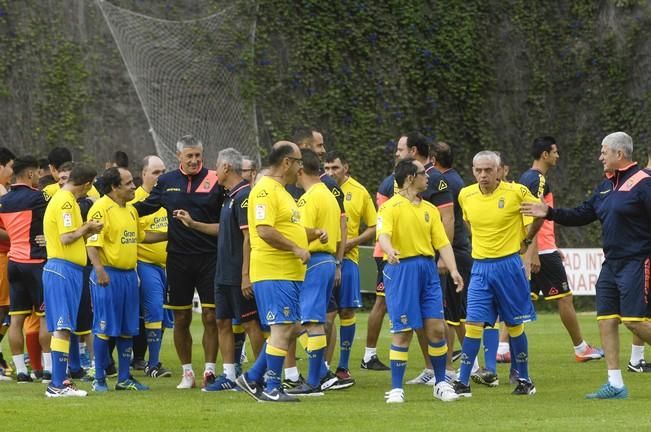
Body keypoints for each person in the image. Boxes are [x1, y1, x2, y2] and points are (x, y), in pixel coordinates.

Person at [522, 132, 651, 399]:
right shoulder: (605, 187)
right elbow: (582, 214)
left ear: (619, 154)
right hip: (611, 264)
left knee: (635, 322)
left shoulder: (644, 183)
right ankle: (615, 384)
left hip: (638, 262)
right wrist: (549, 213)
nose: (600, 157)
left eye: (604, 152)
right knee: (605, 319)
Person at [134, 135, 225, 390]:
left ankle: (209, 370)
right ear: (179, 157)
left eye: (198, 155)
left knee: (211, 316)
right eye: (189, 156)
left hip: (210, 258)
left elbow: (227, 216)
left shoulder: (215, 179)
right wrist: (119, 209)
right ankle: (187, 373)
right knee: (181, 317)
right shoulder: (167, 181)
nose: (195, 160)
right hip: (177, 259)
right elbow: (145, 207)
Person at [454, 150, 542, 398]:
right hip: (480, 267)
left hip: (509, 266)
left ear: (499, 170)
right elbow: (469, 224)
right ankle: (463, 382)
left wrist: (527, 238)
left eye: (488, 170)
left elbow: (539, 213)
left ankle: (524, 379)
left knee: (514, 324)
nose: (483, 175)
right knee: (472, 323)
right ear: (473, 171)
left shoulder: (516, 192)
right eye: (478, 170)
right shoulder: (465, 195)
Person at [378, 158, 463, 403]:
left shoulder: (429, 209)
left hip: (427, 270)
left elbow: (442, 243)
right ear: (410, 178)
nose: (428, 177)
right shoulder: (390, 207)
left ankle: (440, 384)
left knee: (436, 328)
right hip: (402, 269)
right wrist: (390, 249)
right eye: (422, 174)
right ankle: (396, 389)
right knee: (403, 330)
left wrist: (454, 270)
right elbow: (383, 234)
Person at [184, 148, 264, 391]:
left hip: (238, 274)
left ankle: (260, 375)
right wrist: (194, 224)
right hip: (223, 273)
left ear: (226, 167)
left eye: (217, 166)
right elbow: (224, 229)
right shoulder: (229, 197)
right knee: (222, 322)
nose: (214, 171)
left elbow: (249, 237)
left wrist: (245, 275)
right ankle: (229, 375)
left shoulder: (244, 196)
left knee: (251, 324)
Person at [518, 136, 603, 363]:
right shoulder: (538, 179)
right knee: (565, 299)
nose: (557, 156)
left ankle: (503, 347)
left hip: (542, 248)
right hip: (541, 251)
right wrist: (533, 252)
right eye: (555, 152)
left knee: (518, 300)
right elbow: (531, 215)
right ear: (545, 154)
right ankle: (581, 348)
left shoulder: (528, 177)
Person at [235, 141, 309, 403]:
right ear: (287, 162)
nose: (301, 167)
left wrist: (308, 238)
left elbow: (287, 228)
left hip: (287, 272)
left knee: (290, 328)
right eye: (299, 162)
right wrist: (296, 248)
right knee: (282, 329)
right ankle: (271, 387)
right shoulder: (265, 190)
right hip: (274, 270)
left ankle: (252, 377)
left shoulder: (283, 192)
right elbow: (264, 230)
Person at [87, 167, 166, 392]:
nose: (134, 186)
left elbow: (143, 236)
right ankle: (99, 378)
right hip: (108, 276)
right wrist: (99, 270)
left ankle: (124, 378)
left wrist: (174, 233)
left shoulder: (131, 210)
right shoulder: (100, 209)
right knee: (104, 327)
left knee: (127, 329)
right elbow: (92, 243)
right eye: (129, 183)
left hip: (129, 277)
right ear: (114, 187)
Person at [283, 127, 347, 389]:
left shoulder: (309, 199)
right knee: (315, 320)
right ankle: (319, 375)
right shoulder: (328, 194)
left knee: (310, 322)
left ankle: (312, 381)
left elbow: (301, 236)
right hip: (328, 261)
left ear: (300, 171)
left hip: (315, 262)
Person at [42, 163, 101, 397]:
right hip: (62, 270)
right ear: (86, 184)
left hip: (69, 271)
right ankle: (57, 384)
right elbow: (66, 237)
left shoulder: (66, 200)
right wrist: (88, 226)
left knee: (65, 327)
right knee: (62, 327)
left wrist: (87, 230)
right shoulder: (66, 200)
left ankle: (61, 382)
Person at [323, 150, 377, 386]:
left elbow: (374, 226)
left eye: (334, 168)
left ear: (346, 167)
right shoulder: (318, 189)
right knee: (325, 315)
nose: (330, 172)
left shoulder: (359, 191)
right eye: (326, 168)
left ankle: (343, 366)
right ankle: (322, 366)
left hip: (349, 260)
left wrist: (353, 242)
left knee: (346, 312)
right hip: (323, 260)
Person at [0, 156, 52, 384]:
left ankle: (21, 371)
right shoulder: (39, 198)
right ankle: (48, 369)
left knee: (16, 320)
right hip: (36, 264)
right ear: (31, 174)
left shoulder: (5, 201)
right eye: (38, 174)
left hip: (14, 263)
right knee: (44, 317)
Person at [429, 142, 473, 381]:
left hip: (452, 252)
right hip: (458, 250)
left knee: (451, 314)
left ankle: (461, 366)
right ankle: (466, 364)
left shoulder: (443, 182)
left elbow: (453, 220)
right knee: (455, 315)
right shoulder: (456, 181)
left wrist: (446, 257)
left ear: (433, 158)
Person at [130, 155, 172, 378]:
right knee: (153, 311)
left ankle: (147, 360)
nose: (160, 176)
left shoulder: (169, 197)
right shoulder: (136, 201)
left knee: (164, 315)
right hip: (145, 264)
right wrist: (168, 235)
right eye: (156, 172)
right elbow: (137, 235)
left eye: (163, 171)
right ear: (143, 174)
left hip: (168, 266)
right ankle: (153, 364)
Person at [0, 147, 15, 375]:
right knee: (5, 309)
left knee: (7, 311)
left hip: (8, 256)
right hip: (2, 256)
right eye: (11, 166)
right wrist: (18, 236)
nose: (12, 171)